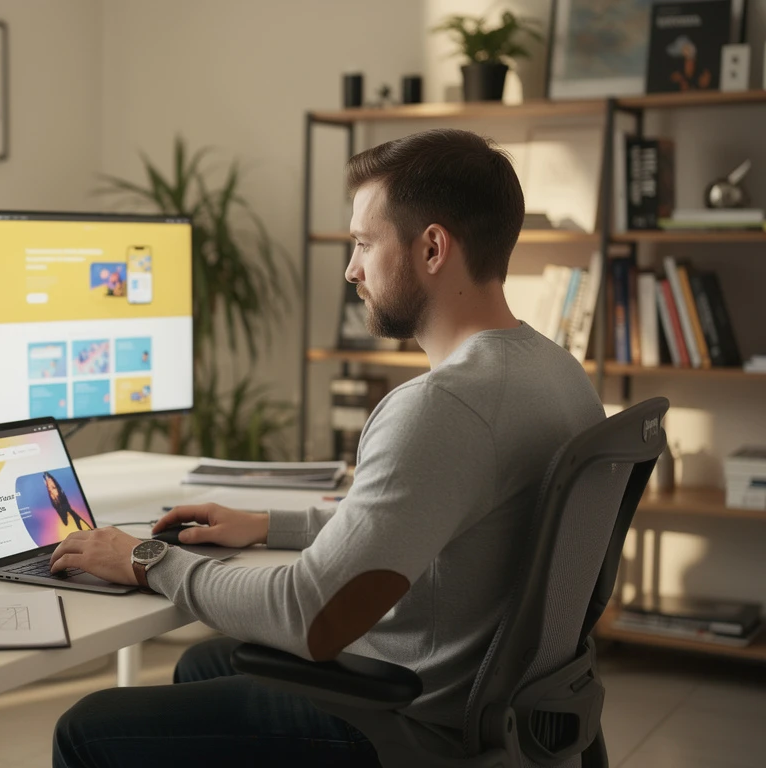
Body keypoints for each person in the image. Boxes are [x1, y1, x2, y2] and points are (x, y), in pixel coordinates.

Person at [47, 129, 605, 767]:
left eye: (365, 243)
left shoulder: (441, 407)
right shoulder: (557, 374)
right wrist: (268, 525)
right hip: (493, 705)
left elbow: (309, 616)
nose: (351, 268)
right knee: (206, 663)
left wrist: (147, 558)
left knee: (87, 729)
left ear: (431, 248)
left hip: (411, 721)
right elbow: (431, 518)